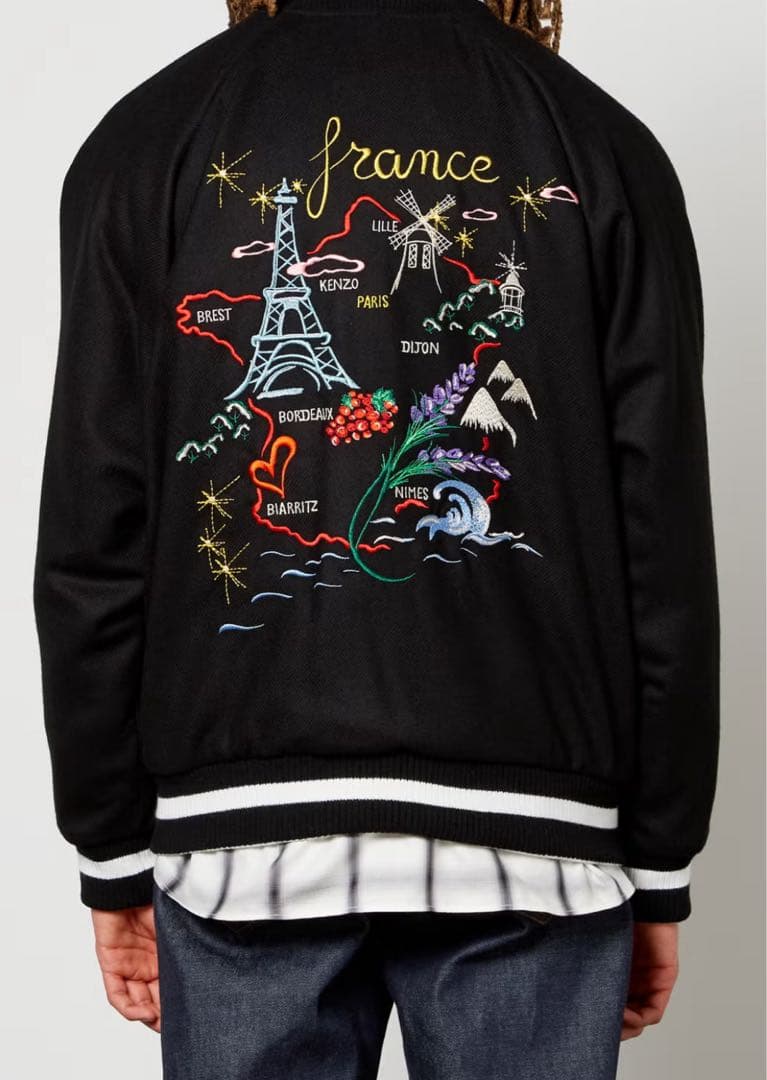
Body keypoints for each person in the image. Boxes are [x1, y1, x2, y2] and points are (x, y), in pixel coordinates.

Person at [33, 1, 720, 1077]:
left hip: (239, 838)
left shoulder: (148, 136)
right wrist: (658, 857)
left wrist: (110, 844)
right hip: (535, 840)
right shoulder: (599, 141)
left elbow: (91, 531)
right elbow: (662, 541)